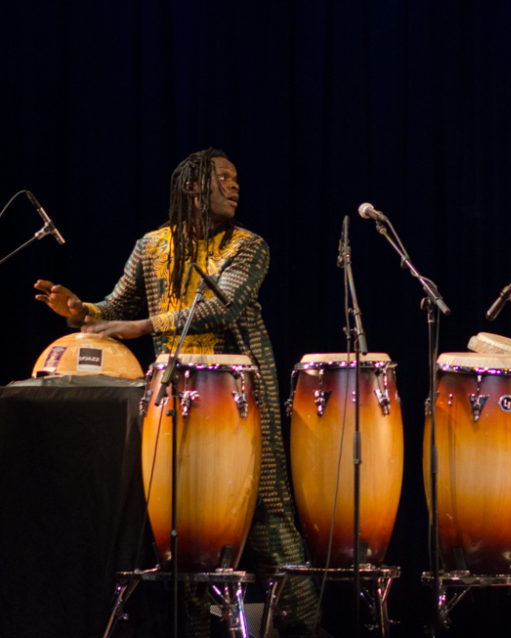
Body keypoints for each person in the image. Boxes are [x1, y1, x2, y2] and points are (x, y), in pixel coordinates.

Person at [33, 148, 319, 637]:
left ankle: (304, 626)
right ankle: (194, 628)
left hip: (243, 396)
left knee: (268, 511)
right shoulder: (151, 247)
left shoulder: (248, 246)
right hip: (175, 396)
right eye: (223, 177)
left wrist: (140, 326)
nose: (235, 186)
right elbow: (114, 306)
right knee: (183, 520)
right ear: (192, 186)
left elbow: (222, 307)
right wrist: (82, 311)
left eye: (236, 179)